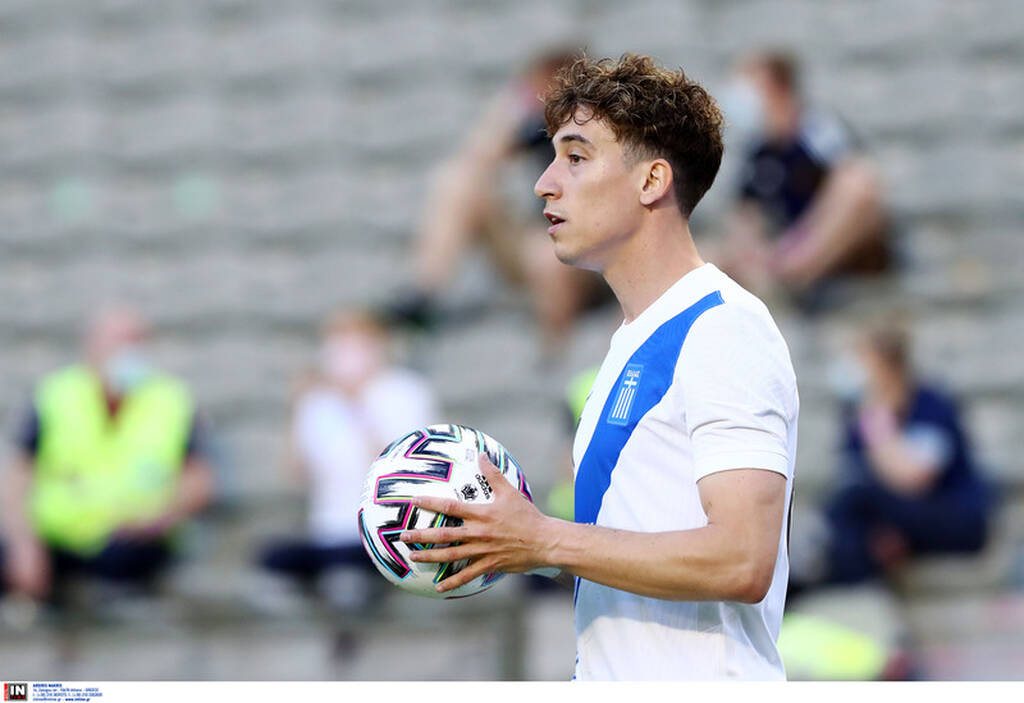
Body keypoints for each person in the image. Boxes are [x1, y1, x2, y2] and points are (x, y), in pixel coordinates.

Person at [400, 54, 799, 680]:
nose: (544, 183)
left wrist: (544, 539)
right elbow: (633, 550)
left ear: (652, 181)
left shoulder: (723, 328)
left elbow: (742, 560)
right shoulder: (627, 345)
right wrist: (512, 543)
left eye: (576, 157)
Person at [383, 47, 612, 356]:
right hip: (537, 241)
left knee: (547, 255)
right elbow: (480, 159)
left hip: (588, 255)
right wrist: (512, 108)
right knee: (459, 182)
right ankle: (425, 294)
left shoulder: (601, 130)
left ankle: (553, 358)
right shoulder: (534, 124)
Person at [0, 306, 215, 605]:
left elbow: (198, 481)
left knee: (129, 565)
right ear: (92, 346)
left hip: (133, 541)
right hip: (58, 536)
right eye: (118, 342)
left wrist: (160, 519)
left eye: (136, 342)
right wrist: (24, 542)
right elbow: (18, 475)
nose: (127, 352)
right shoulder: (56, 395)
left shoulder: (171, 401)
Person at [253, 310, 438, 611]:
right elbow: (295, 475)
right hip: (328, 532)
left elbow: (404, 472)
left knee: (346, 578)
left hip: (386, 534)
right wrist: (296, 408)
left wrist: (356, 402)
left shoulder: (406, 392)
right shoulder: (318, 401)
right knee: (271, 560)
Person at [714, 49, 890, 306]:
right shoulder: (758, 153)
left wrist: (798, 246)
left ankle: (795, 277)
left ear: (779, 88)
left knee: (857, 185)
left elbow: (859, 184)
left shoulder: (817, 128)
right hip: (783, 251)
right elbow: (745, 215)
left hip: (839, 250)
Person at [819, 322, 990, 585]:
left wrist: (877, 421)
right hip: (897, 524)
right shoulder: (856, 418)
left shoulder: (930, 406)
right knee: (847, 512)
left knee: (855, 498)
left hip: (954, 519)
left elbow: (915, 479)